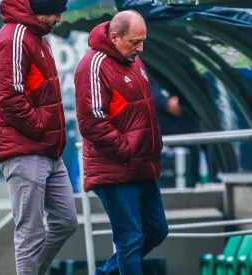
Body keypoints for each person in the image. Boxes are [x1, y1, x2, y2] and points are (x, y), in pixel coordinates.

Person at [74, 10, 169, 275]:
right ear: (115, 37)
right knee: (130, 241)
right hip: (115, 170)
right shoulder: (92, 65)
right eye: (134, 42)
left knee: (158, 229)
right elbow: (92, 122)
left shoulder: (135, 62)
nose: (140, 48)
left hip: (142, 167)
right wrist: (126, 151)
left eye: (142, 41)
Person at [0, 0, 78, 274]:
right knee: (30, 233)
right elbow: (9, 96)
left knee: (66, 221)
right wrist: (40, 129)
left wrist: (47, 138)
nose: (59, 18)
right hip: (25, 149)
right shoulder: (15, 35)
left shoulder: (36, 35)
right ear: (41, 6)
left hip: (47, 149)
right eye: (56, 11)